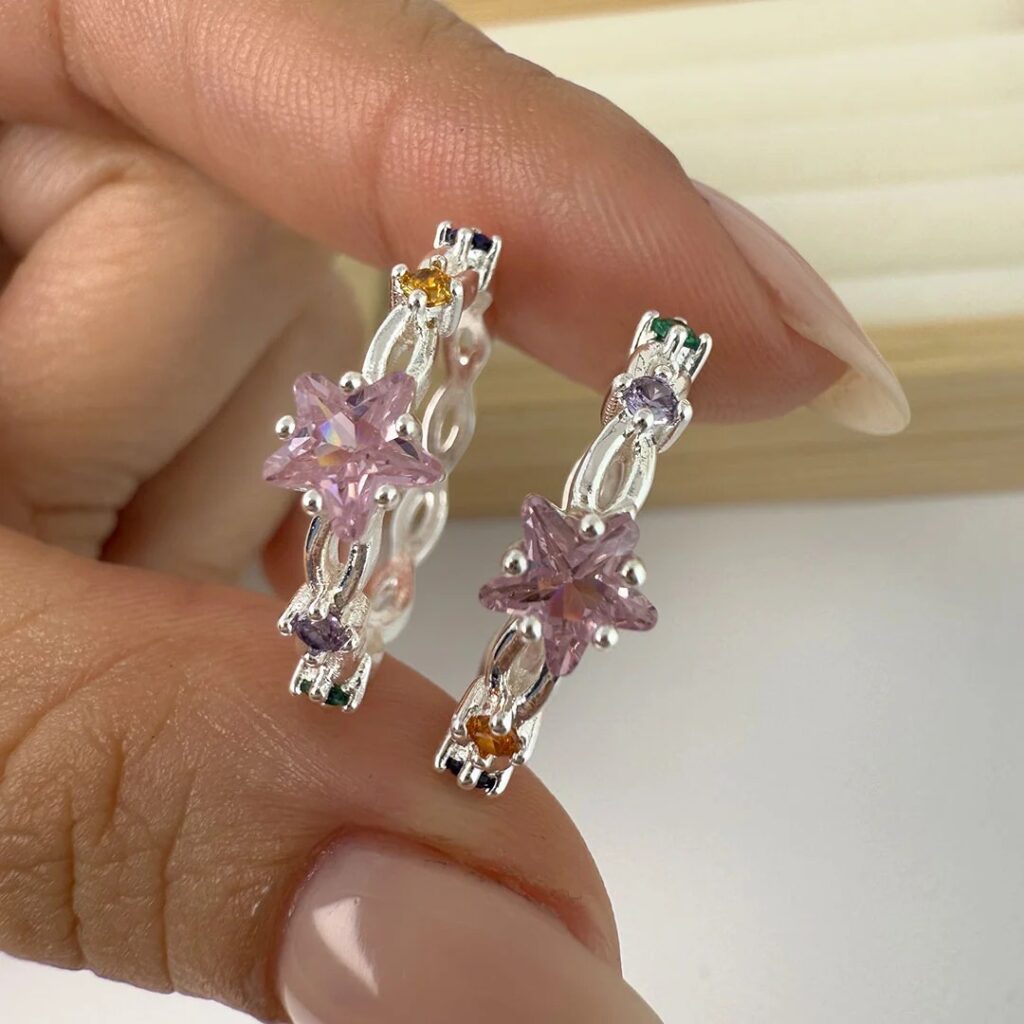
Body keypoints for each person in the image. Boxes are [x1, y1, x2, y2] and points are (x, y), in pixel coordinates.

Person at [0, 1, 907, 1021]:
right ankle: (351, 639)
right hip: (370, 541)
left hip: (453, 585)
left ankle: (400, 664)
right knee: (373, 534)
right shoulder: (372, 451)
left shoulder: (546, 566)